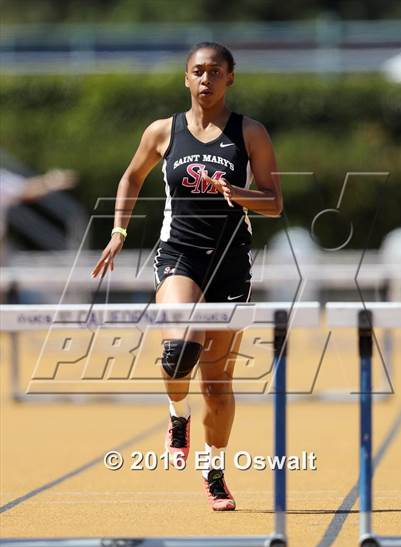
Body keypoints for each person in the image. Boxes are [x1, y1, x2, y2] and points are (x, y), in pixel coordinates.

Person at [91, 42, 283, 511]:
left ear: (230, 78)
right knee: (179, 351)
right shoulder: (163, 131)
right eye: (198, 71)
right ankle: (177, 415)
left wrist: (238, 193)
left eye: (215, 71)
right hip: (179, 255)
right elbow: (131, 177)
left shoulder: (249, 133)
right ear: (185, 78)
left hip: (231, 263)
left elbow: (274, 202)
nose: (206, 79)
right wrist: (119, 230)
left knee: (217, 389)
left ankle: (214, 470)